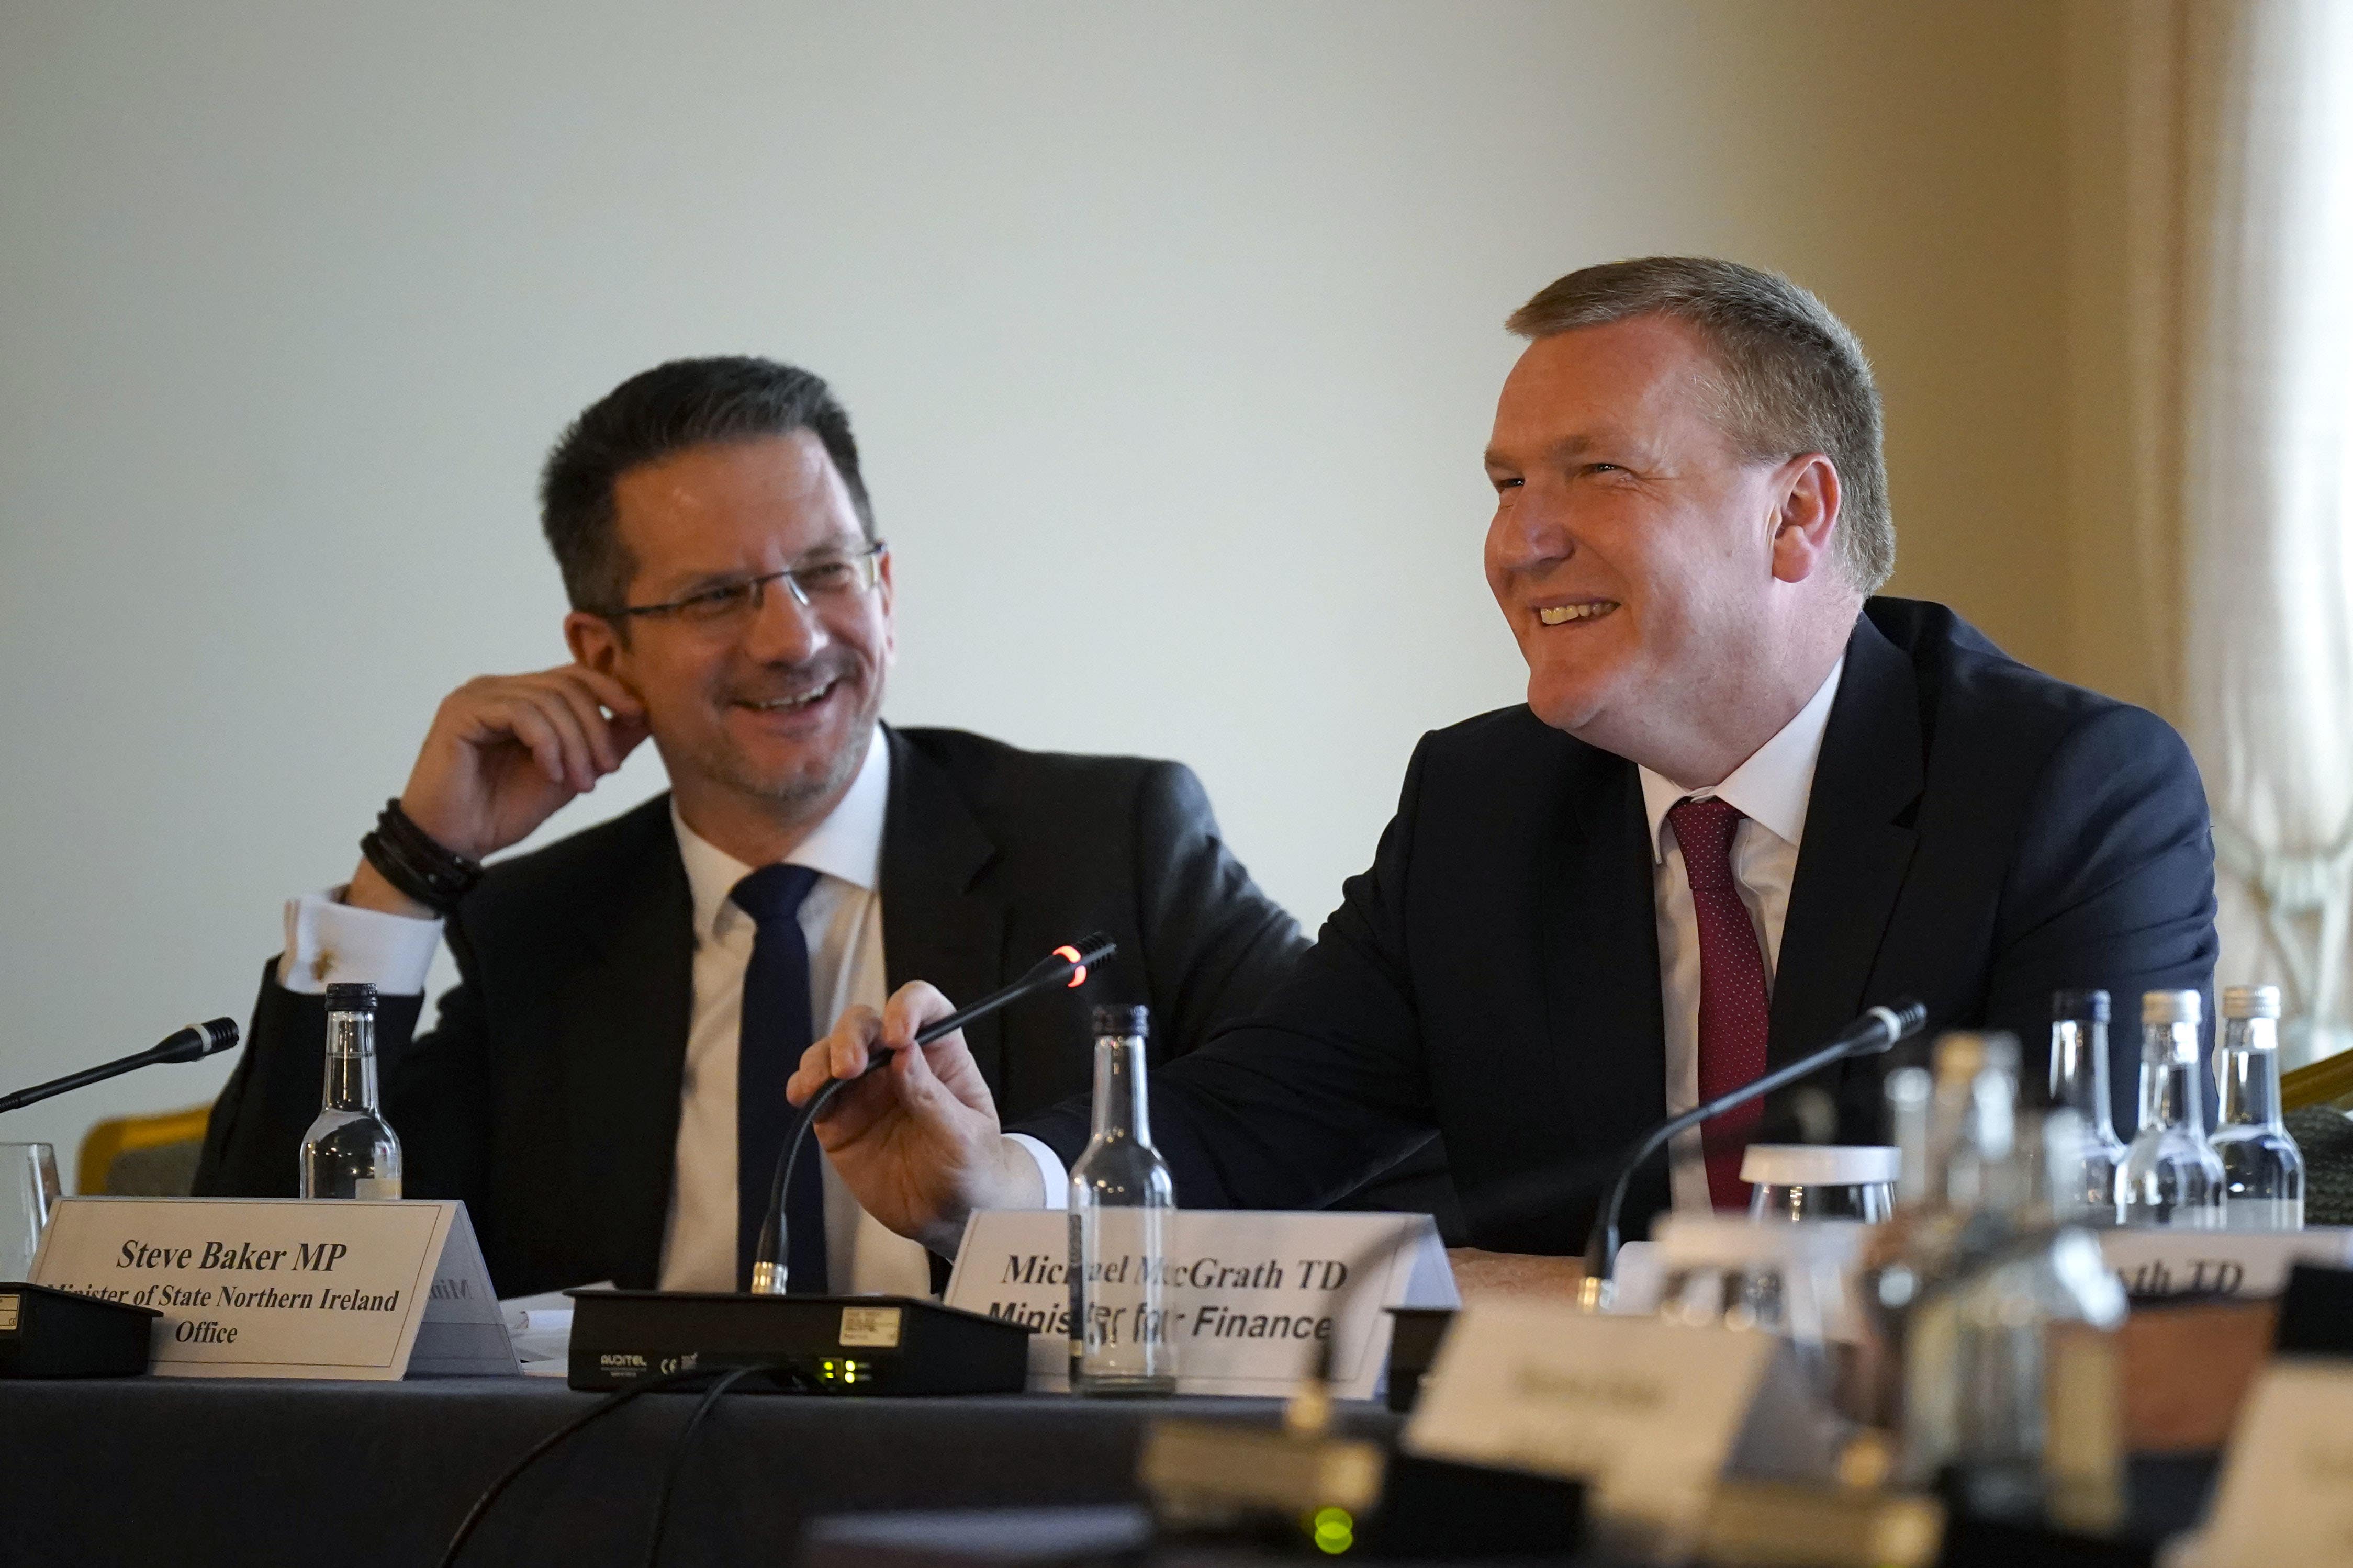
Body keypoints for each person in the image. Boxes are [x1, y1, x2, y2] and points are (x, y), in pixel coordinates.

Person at [788, 257, 2219, 1272]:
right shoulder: (1483, 801)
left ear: (1795, 516)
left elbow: (2073, 1237)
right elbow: (1265, 1113)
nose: (1519, 539)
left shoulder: (2065, 790)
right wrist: (1000, 1182)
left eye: (1596, 472)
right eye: (1504, 484)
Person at [193, 356, 1391, 1298]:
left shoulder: (1109, 840)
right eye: (717, 595)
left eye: (825, 572)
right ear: (603, 653)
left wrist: (1017, 1187)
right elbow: (275, 1274)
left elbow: (1368, 1137)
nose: (793, 639)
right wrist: (410, 867)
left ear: (885, 586)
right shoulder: (542, 929)